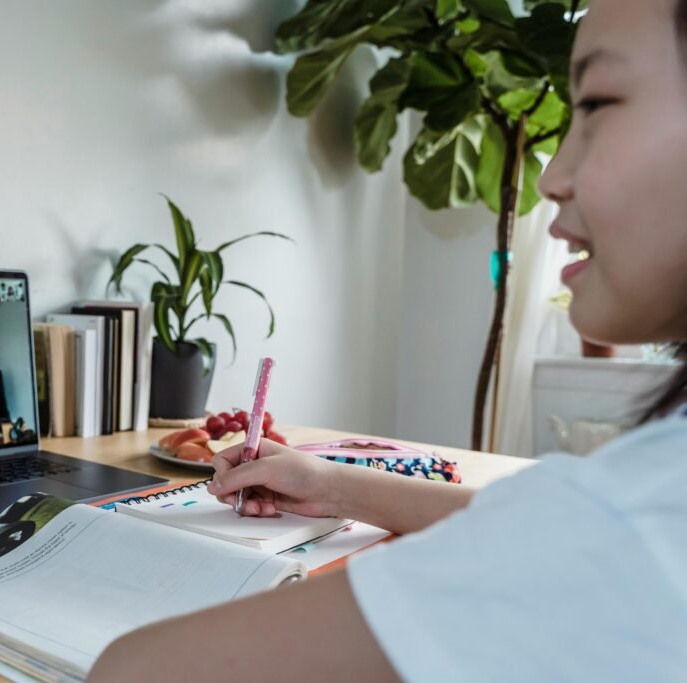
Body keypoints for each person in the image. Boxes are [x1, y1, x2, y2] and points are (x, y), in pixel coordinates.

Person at [88, 0, 687, 679]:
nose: (551, 176)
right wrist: (333, 486)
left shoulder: (643, 517)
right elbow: (527, 513)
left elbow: (134, 671)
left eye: (601, 102)